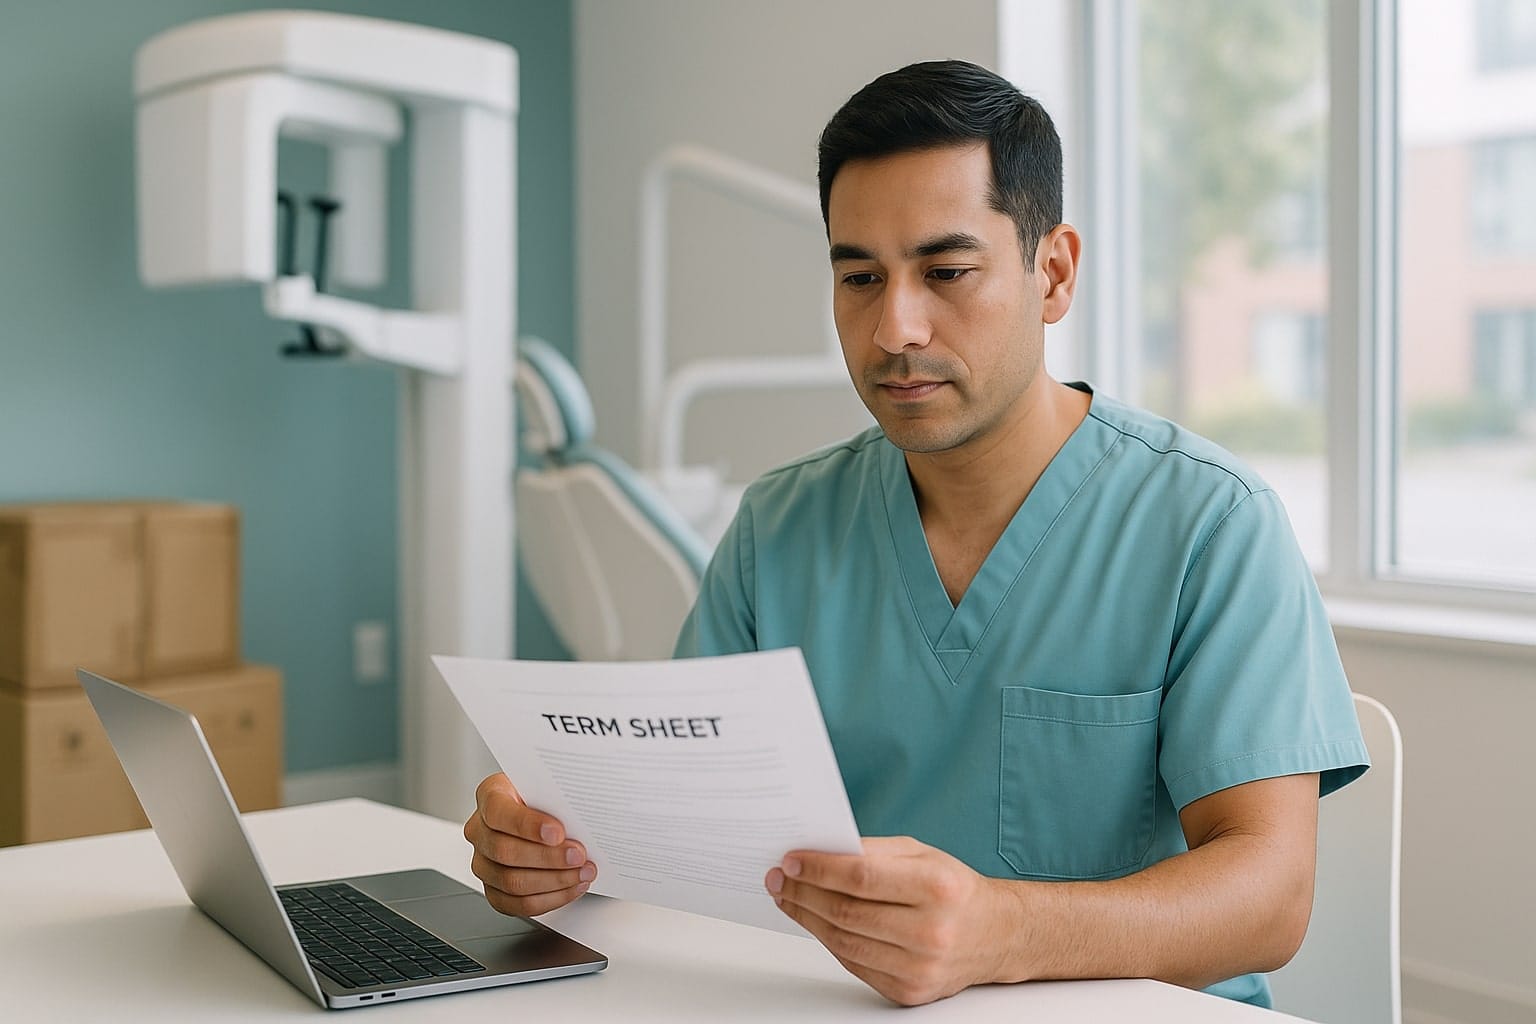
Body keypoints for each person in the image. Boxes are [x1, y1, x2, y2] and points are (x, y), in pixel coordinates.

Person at [464, 59, 1369, 1009]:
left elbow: (1271, 899)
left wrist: (1003, 931)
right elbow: (675, 829)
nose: (895, 326)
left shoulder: (1209, 525)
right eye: (859, 277)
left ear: (1052, 272)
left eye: (945, 272)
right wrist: (556, 852)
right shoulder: (781, 528)